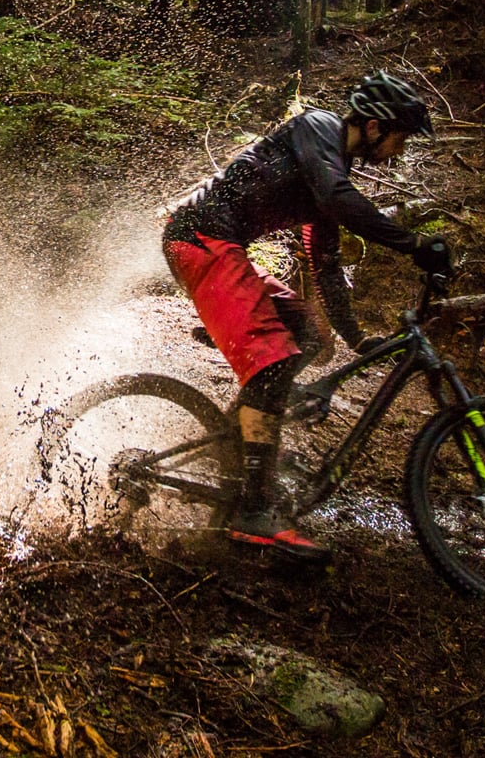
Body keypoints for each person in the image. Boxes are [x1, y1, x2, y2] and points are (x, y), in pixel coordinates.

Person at [162, 71, 453, 562]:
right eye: (400, 139)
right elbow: (340, 199)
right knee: (273, 362)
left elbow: (326, 266)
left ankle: (241, 449)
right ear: (377, 126)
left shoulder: (328, 176)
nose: (399, 153)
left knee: (312, 337)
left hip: (217, 244)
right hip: (200, 238)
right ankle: (254, 511)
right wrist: (414, 245)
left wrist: (357, 339)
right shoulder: (318, 129)